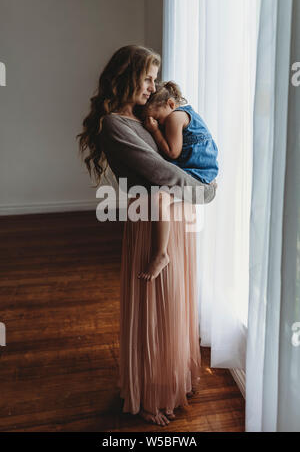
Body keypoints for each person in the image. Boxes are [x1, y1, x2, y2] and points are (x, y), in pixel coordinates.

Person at [77, 45, 217, 427]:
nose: (153, 86)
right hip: (152, 221)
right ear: (127, 77)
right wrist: (204, 190)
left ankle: (174, 380)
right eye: (148, 78)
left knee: (176, 305)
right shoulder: (114, 125)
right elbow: (159, 172)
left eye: (156, 79)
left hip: (173, 217)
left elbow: (178, 152)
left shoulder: (141, 116)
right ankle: (151, 396)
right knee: (156, 310)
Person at [137, 81, 219, 282]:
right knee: (157, 194)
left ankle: (161, 253)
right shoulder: (184, 113)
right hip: (198, 174)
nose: (155, 123)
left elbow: (173, 152)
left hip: (198, 177)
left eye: (156, 118)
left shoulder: (175, 118)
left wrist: (155, 131)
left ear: (171, 105)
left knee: (160, 198)